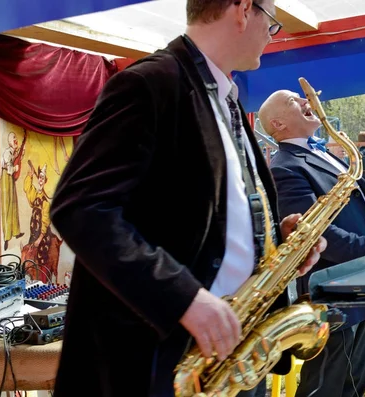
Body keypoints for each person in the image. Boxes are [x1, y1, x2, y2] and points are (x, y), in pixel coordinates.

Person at [48, 1, 326, 396]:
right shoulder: (149, 83)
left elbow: (198, 212)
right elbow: (81, 207)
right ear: (244, 9)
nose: (272, 33)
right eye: (273, 22)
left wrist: (275, 242)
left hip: (227, 354)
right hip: (156, 363)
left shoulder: (224, 95)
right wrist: (183, 298)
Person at [258, 89, 365, 397]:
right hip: (334, 293)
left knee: (353, 386)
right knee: (327, 389)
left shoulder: (324, 153)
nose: (307, 101)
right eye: (294, 101)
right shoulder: (284, 166)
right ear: (278, 124)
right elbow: (317, 234)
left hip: (360, 288)